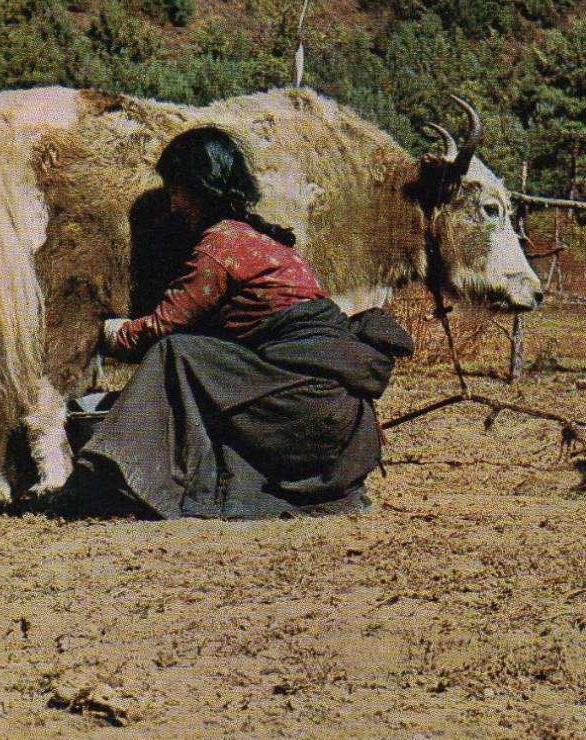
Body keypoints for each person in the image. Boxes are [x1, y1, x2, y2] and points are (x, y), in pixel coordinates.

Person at [72, 126, 413, 519]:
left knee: (176, 352)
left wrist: (103, 333)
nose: (173, 205)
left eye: (176, 191)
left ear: (202, 188)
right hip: (337, 418)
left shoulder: (220, 246)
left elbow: (163, 328)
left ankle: (109, 472)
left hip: (305, 415)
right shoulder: (269, 242)